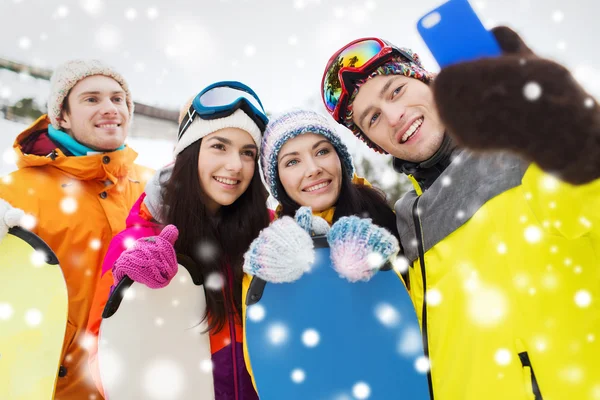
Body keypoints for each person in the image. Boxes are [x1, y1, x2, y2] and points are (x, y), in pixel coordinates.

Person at [320, 27, 600, 399]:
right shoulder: (404, 219)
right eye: (372, 119)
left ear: (430, 80)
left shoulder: (520, 154)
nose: (393, 115)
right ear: (373, 142)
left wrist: (572, 129)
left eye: (396, 90)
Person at [86, 81, 271, 399]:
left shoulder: (269, 235)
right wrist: (128, 293)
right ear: (190, 151)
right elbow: (100, 366)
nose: (234, 165)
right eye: (219, 146)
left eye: (247, 153)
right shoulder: (138, 242)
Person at [0, 59, 152, 399]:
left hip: (136, 383)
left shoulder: (154, 185)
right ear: (62, 116)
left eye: (118, 99)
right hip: (56, 388)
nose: (110, 108)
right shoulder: (12, 193)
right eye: (92, 99)